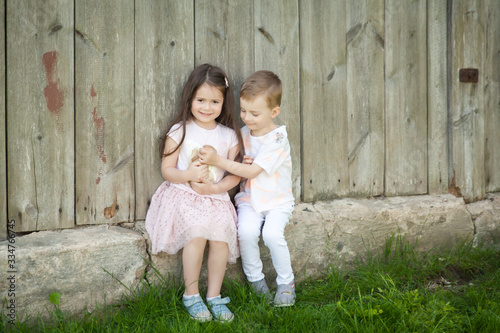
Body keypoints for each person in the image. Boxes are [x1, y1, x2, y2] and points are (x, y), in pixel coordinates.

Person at [145, 63, 244, 322]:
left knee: (221, 240)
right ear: (190, 98)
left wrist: (215, 188)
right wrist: (188, 175)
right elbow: (167, 169)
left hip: (215, 197)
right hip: (184, 195)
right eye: (201, 99)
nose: (207, 107)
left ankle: (214, 295)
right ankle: (191, 294)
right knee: (198, 234)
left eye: (214, 101)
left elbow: (234, 173)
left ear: (224, 102)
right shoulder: (181, 129)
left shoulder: (229, 135)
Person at [199, 70, 296, 307]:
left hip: (277, 201)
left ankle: (286, 283)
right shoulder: (242, 135)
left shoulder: (277, 139)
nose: (247, 117)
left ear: (274, 112)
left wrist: (219, 161)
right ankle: (256, 281)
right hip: (249, 200)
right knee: (247, 233)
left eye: (254, 113)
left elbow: (252, 171)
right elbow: (236, 165)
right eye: (243, 111)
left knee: (272, 235)